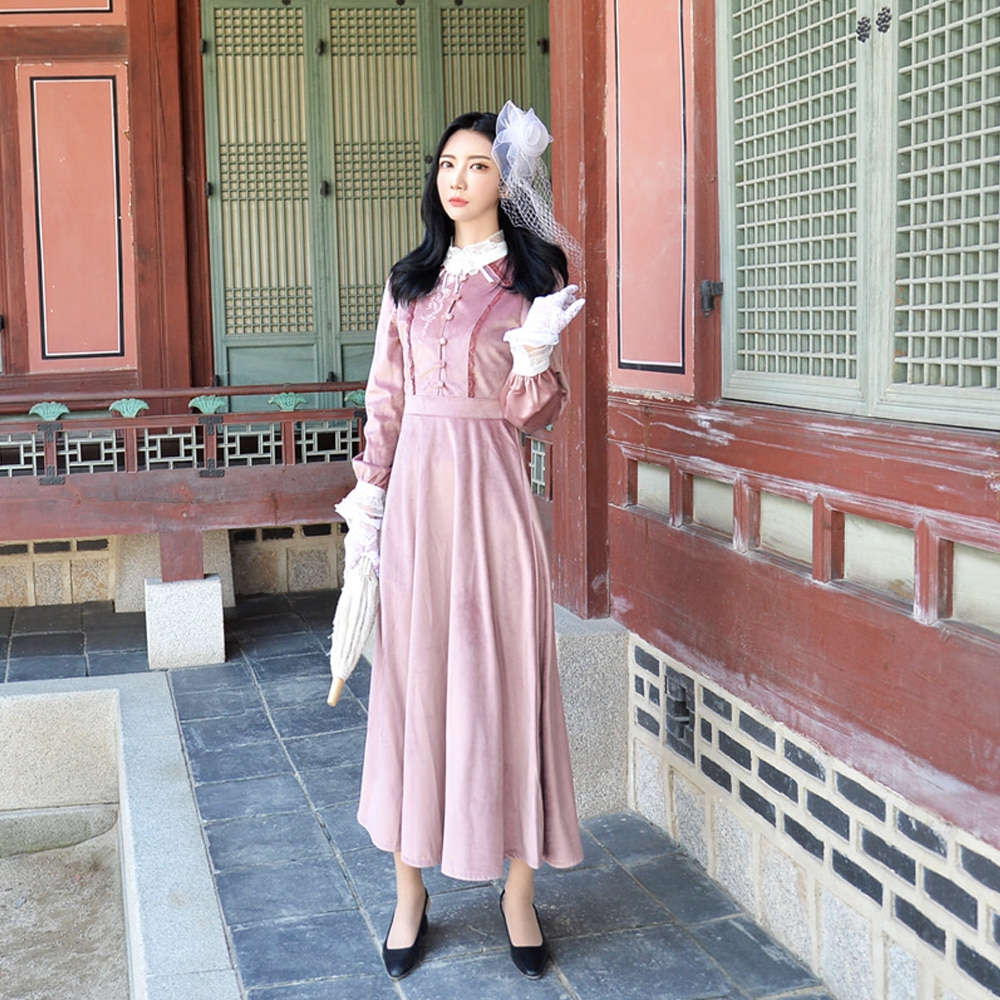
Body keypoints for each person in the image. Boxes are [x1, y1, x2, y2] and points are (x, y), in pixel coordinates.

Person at [335, 102, 585, 981]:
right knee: (414, 686)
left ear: (506, 183)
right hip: (418, 510)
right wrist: (370, 501)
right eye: (447, 163)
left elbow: (535, 416)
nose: (457, 178)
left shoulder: (534, 282)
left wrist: (535, 356)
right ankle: (410, 892)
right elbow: (386, 399)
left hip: (495, 501)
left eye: (478, 165)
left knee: (507, 682)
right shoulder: (408, 282)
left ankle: (518, 893)